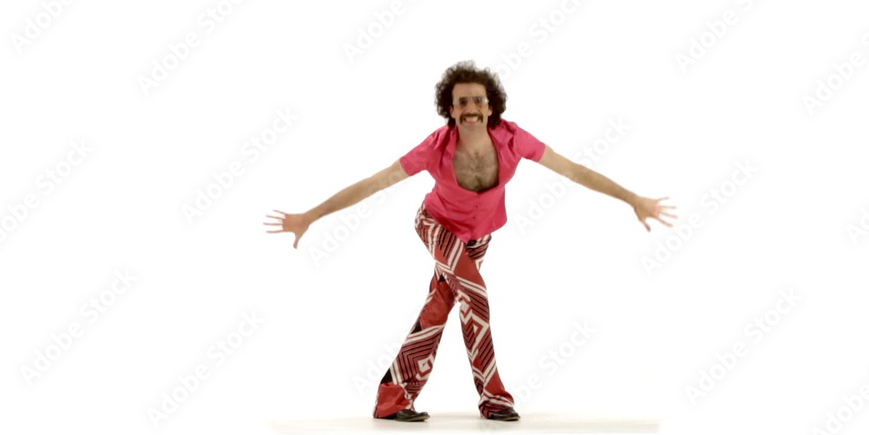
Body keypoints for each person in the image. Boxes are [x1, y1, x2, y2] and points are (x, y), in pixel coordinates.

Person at [263, 60, 676, 422]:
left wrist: (633, 199)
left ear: (490, 106)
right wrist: (310, 216)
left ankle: (392, 397)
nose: (471, 108)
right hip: (435, 225)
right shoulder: (435, 148)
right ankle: (493, 398)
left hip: (478, 237)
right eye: (462, 102)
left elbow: (575, 170)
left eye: (478, 100)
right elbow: (375, 182)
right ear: (451, 110)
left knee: (441, 303)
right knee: (475, 296)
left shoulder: (514, 140)